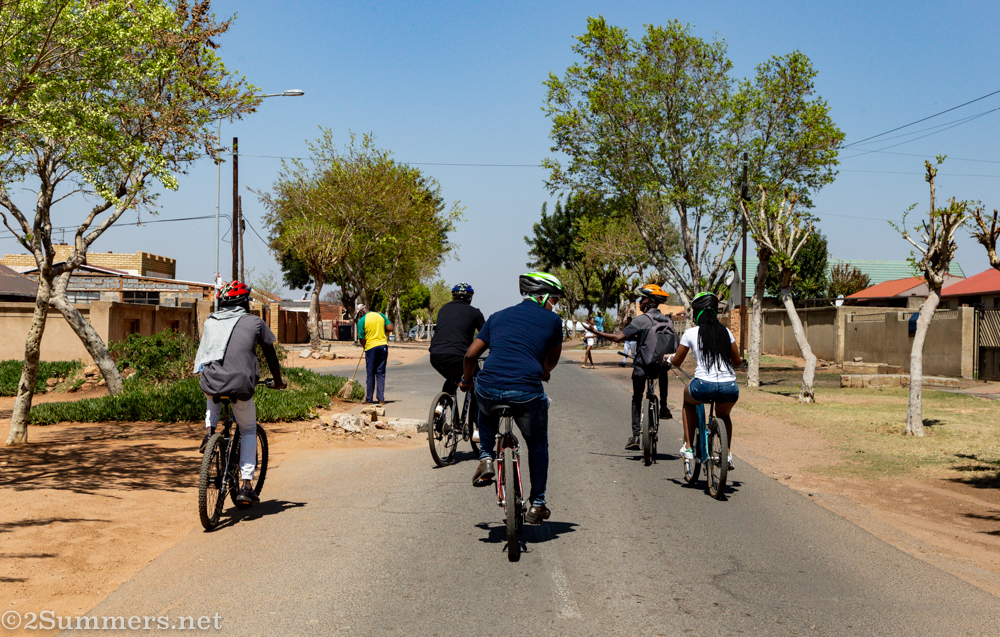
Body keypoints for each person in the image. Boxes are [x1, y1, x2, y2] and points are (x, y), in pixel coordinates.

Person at [461, 272, 564, 525]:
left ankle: (485, 457)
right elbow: (552, 359)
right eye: (554, 299)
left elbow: (471, 355)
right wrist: (545, 373)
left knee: (484, 406)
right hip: (527, 391)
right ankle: (537, 504)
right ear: (542, 297)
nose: (555, 304)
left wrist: (466, 379)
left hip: (490, 387)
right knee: (538, 444)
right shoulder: (553, 321)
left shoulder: (497, 317)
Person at [194, 280, 287, 505]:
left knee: (212, 390)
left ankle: (209, 433)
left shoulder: (210, 321)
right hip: (240, 386)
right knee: (247, 429)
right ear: (244, 302)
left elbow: (207, 355)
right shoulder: (254, 322)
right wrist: (277, 381)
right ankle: (246, 485)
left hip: (211, 382)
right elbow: (270, 355)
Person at [591, 284, 674, 450]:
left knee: (637, 397)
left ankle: (636, 435)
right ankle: (663, 407)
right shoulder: (668, 321)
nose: (640, 302)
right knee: (664, 370)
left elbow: (617, 337)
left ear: (650, 301)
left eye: (642, 299)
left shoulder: (641, 320)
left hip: (643, 367)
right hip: (660, 366)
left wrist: (595, 332)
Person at [668, 292, 741, 469]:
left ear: (697, 312)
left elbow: (677, 361)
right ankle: (728, 454)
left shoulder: (690, 333)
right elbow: (737, 362)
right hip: (729, 386)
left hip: (703, 386)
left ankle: (688, 448)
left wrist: (669, 359)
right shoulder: (726, 332)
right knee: (724, 415)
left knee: (688, 398)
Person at [429, 282, 486, 439]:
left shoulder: (443, 309)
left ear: (453, 296)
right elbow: (487, 335)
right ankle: (477, 428)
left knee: (452, 378)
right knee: (477, 383)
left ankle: (441, 406)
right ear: (470, 298)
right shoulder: (474, 312)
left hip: (436, 355)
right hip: (459, 356)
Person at [357, 306, 394, 403]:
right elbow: (390, 328)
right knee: (380, 373)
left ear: (361, 312)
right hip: (383, 346)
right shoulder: (380, 315)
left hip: (371, 348)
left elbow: (362, 338)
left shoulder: (362, 321)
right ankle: (381, 399)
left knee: (370, 374)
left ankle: (369, 399)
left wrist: (364, 346)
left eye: (359, 314)